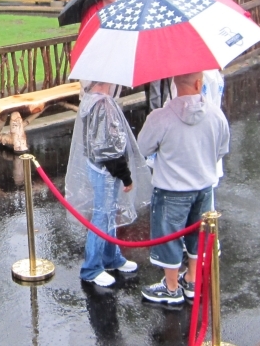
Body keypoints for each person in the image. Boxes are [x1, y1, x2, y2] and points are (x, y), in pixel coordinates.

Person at [137, 71, 230, 307]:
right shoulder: (215, 114)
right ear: (200, 83)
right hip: (204, 187)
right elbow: (222, 148)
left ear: (174, 83)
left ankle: (170, 287)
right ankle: (191, 279)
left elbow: (143, 147)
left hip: (171, 190)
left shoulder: (161, 117)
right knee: (197, 235)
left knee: (169, 236)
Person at [65, 81, 146, 287]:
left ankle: (111, 257)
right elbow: (109, 148)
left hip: (99, 167)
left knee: (109, 212)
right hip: (105, 170)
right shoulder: (102, 105)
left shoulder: (92, 101)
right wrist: (125, 175)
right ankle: (91, 268)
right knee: (102, 215)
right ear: (102, 81)